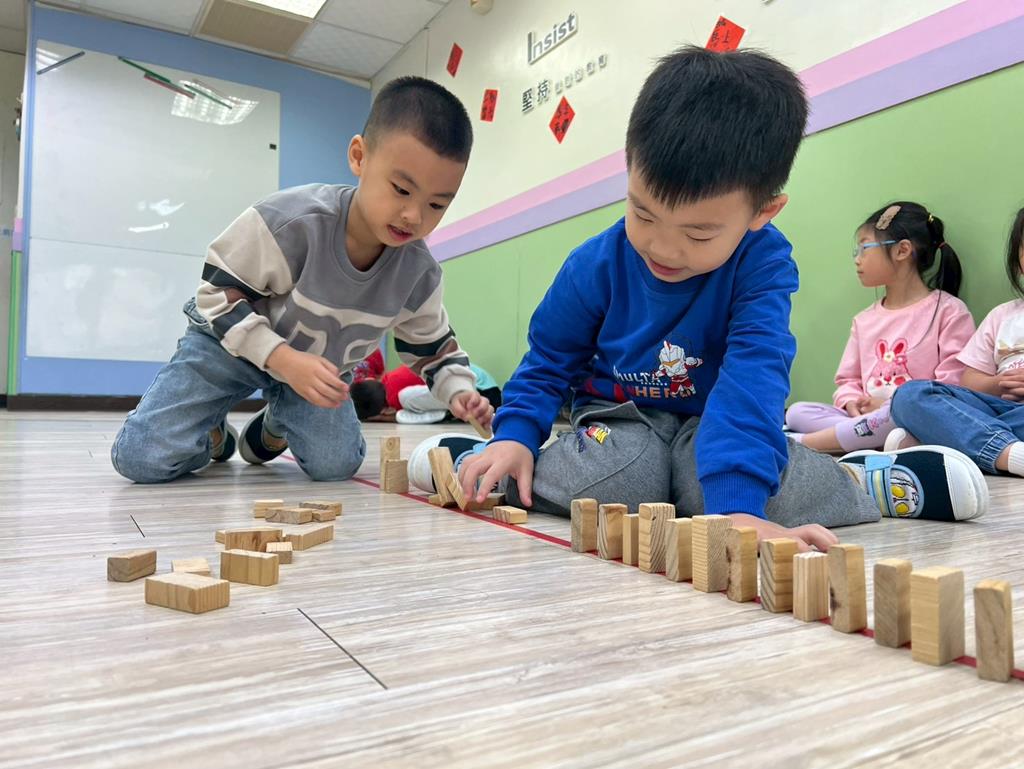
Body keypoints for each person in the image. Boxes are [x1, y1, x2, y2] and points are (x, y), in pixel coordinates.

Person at [449, 46, 987, 542]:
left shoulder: (764, 264)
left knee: (724, 488)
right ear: (630, 167)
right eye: (642, 214)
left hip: (713, 422)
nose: (662, 247)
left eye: (699, 233)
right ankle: (477, 462)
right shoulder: (594, 264)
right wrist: (515, 435)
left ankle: (864, 482)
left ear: (762, 212)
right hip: (620, 420)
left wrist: (738, 512)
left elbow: (753, 375)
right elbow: (549, 360)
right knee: (622, 477)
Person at [111, 76, 493, 483]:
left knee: (336, 466)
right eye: (401, 190)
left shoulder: (418, 273)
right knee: (140, 458)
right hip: (228, 346)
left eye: (436, 204)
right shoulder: (291, 221)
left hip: (316, 374)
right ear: (359, 157)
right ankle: (209, 432)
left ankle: (274, 425)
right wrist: (283, 360)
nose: (414, 216)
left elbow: (433, 348)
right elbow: (216, 296)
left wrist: (460, 392)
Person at [785, 202, 974, 452]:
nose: (857, 259)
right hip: (866, 420)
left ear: (902, 250)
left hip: (912, 416)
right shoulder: (864, 320)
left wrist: (888, 406)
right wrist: (852, 402)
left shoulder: (949, 311)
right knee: (797, 412)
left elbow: (952, 386)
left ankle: (800, 444)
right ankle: (871, 439)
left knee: (893, 419)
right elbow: (848, 380)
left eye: (864, 248)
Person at [890, 206, 1024, 478]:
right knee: (909, 395)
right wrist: (999, 383)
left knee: (961, 423)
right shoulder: (1003, 316)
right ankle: (1008, 452)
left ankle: (945, 442)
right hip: (998, 410)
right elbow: (970, 381)